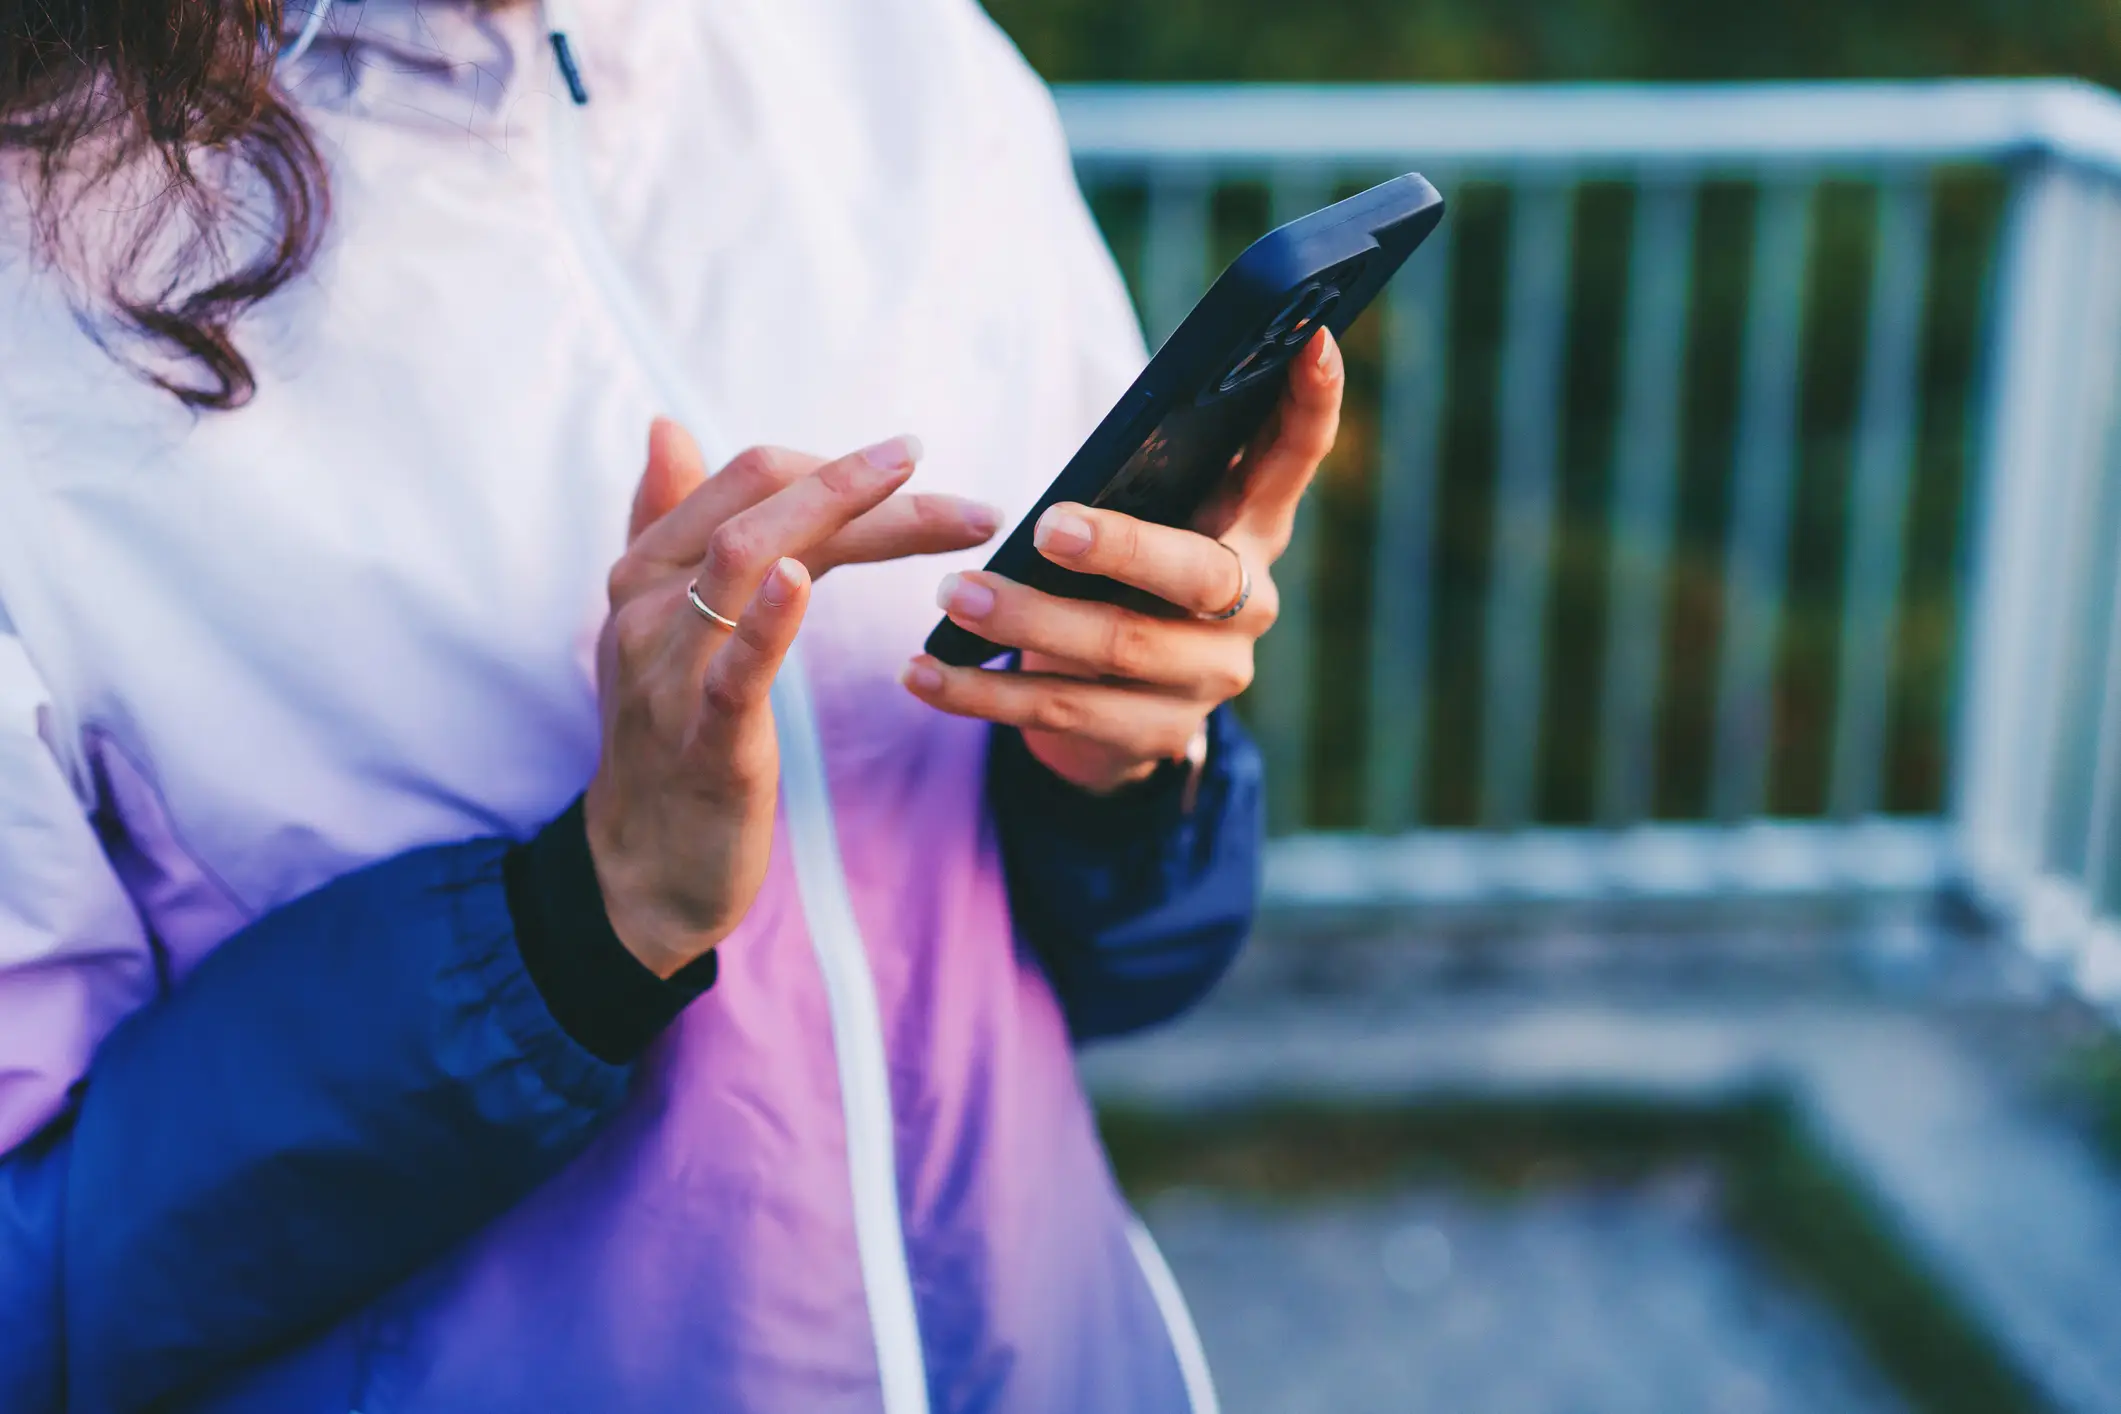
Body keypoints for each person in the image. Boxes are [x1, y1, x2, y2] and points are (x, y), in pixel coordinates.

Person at [0, 0, 1344, 1409]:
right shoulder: (37, 303)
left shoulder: (907, 55)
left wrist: (1127, 764)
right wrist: (584, 925)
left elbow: (1128, 970)